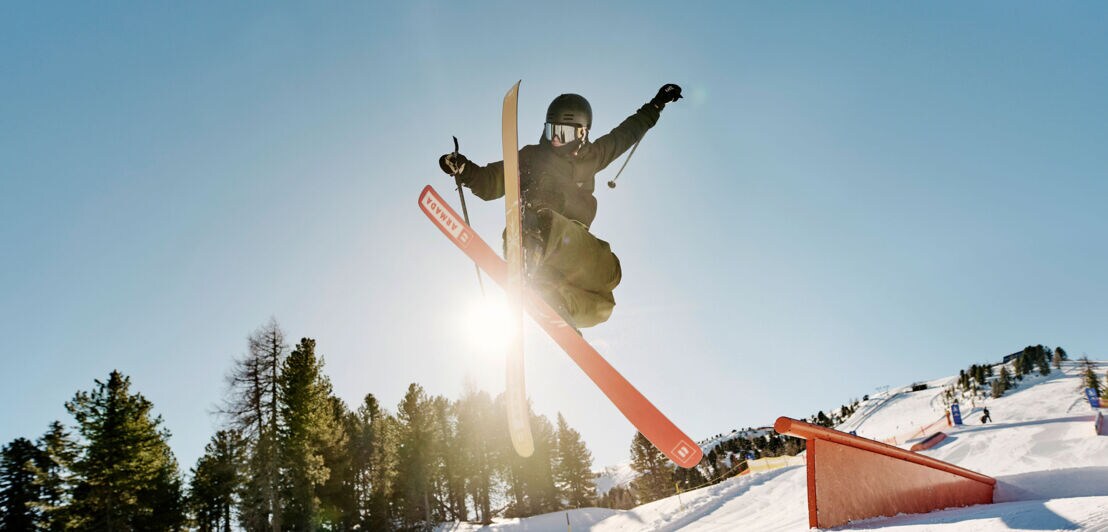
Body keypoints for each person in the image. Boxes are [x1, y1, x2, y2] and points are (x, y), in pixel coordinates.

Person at [439, 84, 683, 328]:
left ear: (581, 134)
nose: (555, 139)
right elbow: (491, 181)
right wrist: (465, 170)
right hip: (535, 232)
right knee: (548, 227)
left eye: (562, 133)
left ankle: (557, 303)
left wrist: (657, 104)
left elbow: (626, 133)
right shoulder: (532, 157)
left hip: (573, 247)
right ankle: (529, 254)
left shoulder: (593, 157)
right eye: (550, 130)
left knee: (608, 289)